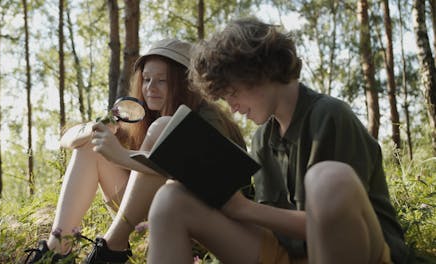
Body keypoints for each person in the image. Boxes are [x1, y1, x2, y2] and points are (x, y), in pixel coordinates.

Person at [146, 17, 409, 264]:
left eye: (233, 93)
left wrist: (242, 208)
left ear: (260, 71)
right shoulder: (263, 138)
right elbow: (271, 223)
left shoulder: (330, 116)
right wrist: (207, 210)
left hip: (361, 252)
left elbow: (335, 227)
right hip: (289, 253)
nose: (234, 108)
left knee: (328, 179)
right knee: (171, 201)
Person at [24, 38, 245, 264]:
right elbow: (66, 139)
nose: (150, 88)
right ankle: (57, 249)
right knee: (91, 146)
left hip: (201, 220)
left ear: (186, 83)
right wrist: (96, 127)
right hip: (150, 213)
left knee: (162, 136)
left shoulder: (208, 119)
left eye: (162, 81)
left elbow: (199, 179)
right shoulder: (140, 114)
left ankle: (112, 249)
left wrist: (123, 157)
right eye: (147, 79)